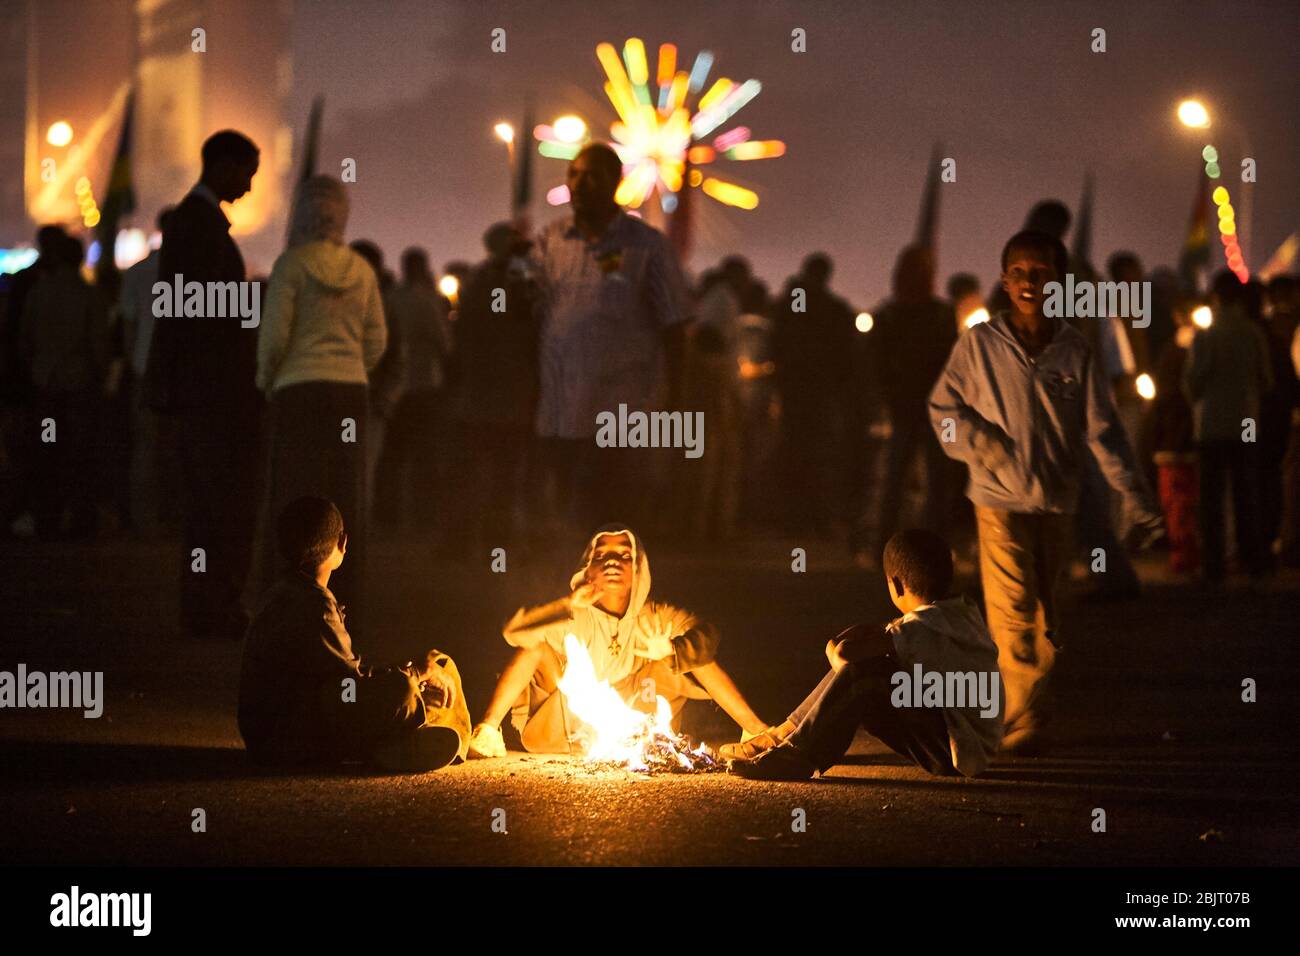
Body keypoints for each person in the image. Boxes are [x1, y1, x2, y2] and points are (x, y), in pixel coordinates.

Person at [929, 230, 1163, 753]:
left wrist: (1138, 497)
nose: (1030, 282)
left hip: (1058, 500)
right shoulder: (980, 346)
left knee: (1046, 612)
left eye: (1041, 272)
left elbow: (1104, 431)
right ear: (1004, 281)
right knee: (1013, 607)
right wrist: (983, 446)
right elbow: (942, 412)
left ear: (1059, 281)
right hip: (997, 500)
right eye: (1020, 273)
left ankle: (1025, 707)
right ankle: (1025, 716)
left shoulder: (1075, 351)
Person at [466, 525, 770, 757]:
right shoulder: (573, 615)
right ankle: (488, 730)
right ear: (588, 568)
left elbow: (708, 635)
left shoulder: (653, 615)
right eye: (602, 556)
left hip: (636, 719)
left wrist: (672, 650)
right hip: (563, 724)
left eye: (624, 556)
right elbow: (514, 632)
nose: (612, 562)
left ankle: (757, 731)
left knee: (685, 657)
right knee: (536, 646)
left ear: (638, 569)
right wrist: (568, 604)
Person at [727, 529, 1002, 780]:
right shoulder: (960, 615)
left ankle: (797, 754)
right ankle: (783, 735)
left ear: (894, 585)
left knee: (865, 674)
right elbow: (889, 636)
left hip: (955, 752)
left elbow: (848, 655)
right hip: (969, 745)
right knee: (872, 667)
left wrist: (833, 650)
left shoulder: (922, 628)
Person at [238, 496, 469, 771]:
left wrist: (414, 670)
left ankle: (401, 740)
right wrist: (413, 675)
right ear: (342, 542)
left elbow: (343, 678)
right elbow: (347, 689)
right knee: (403, 690)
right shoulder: (315, 605)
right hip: (287, 742)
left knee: (438, 663)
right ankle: (389, 747)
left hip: (277, 732)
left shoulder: (282, 591)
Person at [530, 143, 689, 540]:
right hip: (560, 409)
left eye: (592, 176)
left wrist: (675, 403)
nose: (579, 184)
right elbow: (530, 314)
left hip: (621, 412)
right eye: (574, 174)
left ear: (615, 183)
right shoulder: (550, 241)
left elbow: (675, 329)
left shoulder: (648, 247)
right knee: (563, 520)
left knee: (616, 520)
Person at [145, 129, 262, 640]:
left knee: (207, 505)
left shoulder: (193, 223)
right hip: (214, 391)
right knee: (219, 503)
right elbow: (203, 312)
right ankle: (212, 605)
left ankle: (206, 604)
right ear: (222, 165)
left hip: (200, 388)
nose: (250, 186)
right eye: (247, 173)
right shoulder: (202, 226)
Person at [256, 175, 386, 636]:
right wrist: (353, 365)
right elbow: (377, 339)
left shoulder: (292, 266)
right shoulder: (362, 271)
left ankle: (286, 603)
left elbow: (274, 337)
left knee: (293, 495)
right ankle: (345, 602)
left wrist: (267, 380)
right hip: (350, 391)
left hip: (299, 390)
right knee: (344, 497)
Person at [449, 222, 540, 554]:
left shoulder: (479, 282)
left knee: (478, 472)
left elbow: (464, 335)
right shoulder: (515, 284)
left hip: (484, 394)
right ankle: (491, 541)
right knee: (502, 475)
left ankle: (467, 540)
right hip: (508, 397)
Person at [1182, 271, 1273, 583]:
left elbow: (1192, 382)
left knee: (1211, 498)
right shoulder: (1252, 332)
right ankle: (1254, 561)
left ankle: (1214, 565)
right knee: (1247, 491)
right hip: (1247, 421)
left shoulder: (1206, 336)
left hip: (1210, 423)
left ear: (1215, 297)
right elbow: (1266, 379)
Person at [868, 245, 958, 558]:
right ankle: (929, 548)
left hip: (914, 408)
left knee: (904, 481)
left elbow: (876, 365)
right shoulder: (935, 314)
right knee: (927, 482)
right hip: (925, 409)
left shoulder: (891, 315)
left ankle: (887, 545)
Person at [20, 232, 109, 539]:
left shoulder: (38, 294)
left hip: (45, 386)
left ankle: (47, 517)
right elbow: (99, 346)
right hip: (78, 386)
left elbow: (25, 340)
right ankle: (81, 520)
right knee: (79, 454)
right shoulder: (89, 295)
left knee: (48, 452)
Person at [772, 252, 856, 535]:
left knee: (795, 453)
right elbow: (846, 354)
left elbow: (779, 342)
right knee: (818, 455)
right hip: (818, 392)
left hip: (797, 391)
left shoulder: (795, 304)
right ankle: (814, 518)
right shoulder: (831, 309)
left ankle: (792, 518)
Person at [372, 246, 453, 533]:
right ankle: (425, 517)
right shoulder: (426, 301)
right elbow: (443, 343)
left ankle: (387, 515)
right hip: (425, 384)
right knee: (426, 454)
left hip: (397, 387)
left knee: (392, 455)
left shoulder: (390, 298)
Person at [116, 207, 177, 536]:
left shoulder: (138, 272)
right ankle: (171, 516)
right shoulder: (195, 273)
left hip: (145, 369)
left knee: (144, 447)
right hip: (182, 376)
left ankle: (144, 520)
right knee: (175, 448)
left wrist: (132, 362)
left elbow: (128, 326)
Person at [1146, 296, 1201, 573]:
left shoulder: (1173, 351)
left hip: (1174, 441)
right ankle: (1191, 554)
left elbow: (1162, 399)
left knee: (1177, 500)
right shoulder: (1189, 349)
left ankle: (1184, 555)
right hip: (1193, 439)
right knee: (1189, 500)